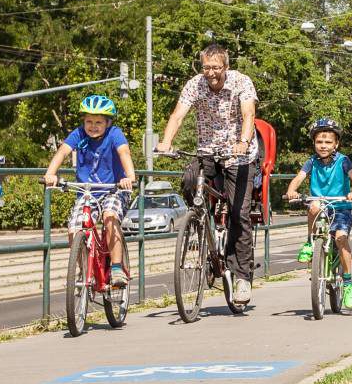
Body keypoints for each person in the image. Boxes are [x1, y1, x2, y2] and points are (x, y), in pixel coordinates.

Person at [155, 44, 263, 304]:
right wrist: (166, 142)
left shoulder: (241, 82)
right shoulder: (195, 84)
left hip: (240, 154)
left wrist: (244, 141)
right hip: (208, 150)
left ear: (225, 67)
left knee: (239, 213)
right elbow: (178, 115)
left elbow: (249, 114)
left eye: (215, 68)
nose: (211, 73)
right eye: (206, 67)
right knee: (191, 181)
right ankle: (201, 225)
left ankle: (242, 277)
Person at [42, 95, 138, 288]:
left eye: (98, 122)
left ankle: (117, 268)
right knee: (74, 229)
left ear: (108, 123)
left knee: (110, 217)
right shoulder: (78, 134)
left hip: (114, 189)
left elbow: (124, 153)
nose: (92, 126)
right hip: (87, 192)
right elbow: (62, 152)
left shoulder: (115, 134)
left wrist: (130, 177)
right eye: (88, 121)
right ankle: (85, 270)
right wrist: (50, 174)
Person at [284, 118, 352, 309]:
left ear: (336, 144)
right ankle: (310, 243)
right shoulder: (311, 161)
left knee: (341, 238)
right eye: (319, 141)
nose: (323, 146)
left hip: (341, 207)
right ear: (314, 143)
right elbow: (298, 178)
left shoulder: (343, 161)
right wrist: (291, 191)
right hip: (321, 206)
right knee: (314, 205)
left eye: (328, 142)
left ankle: (348, 282)